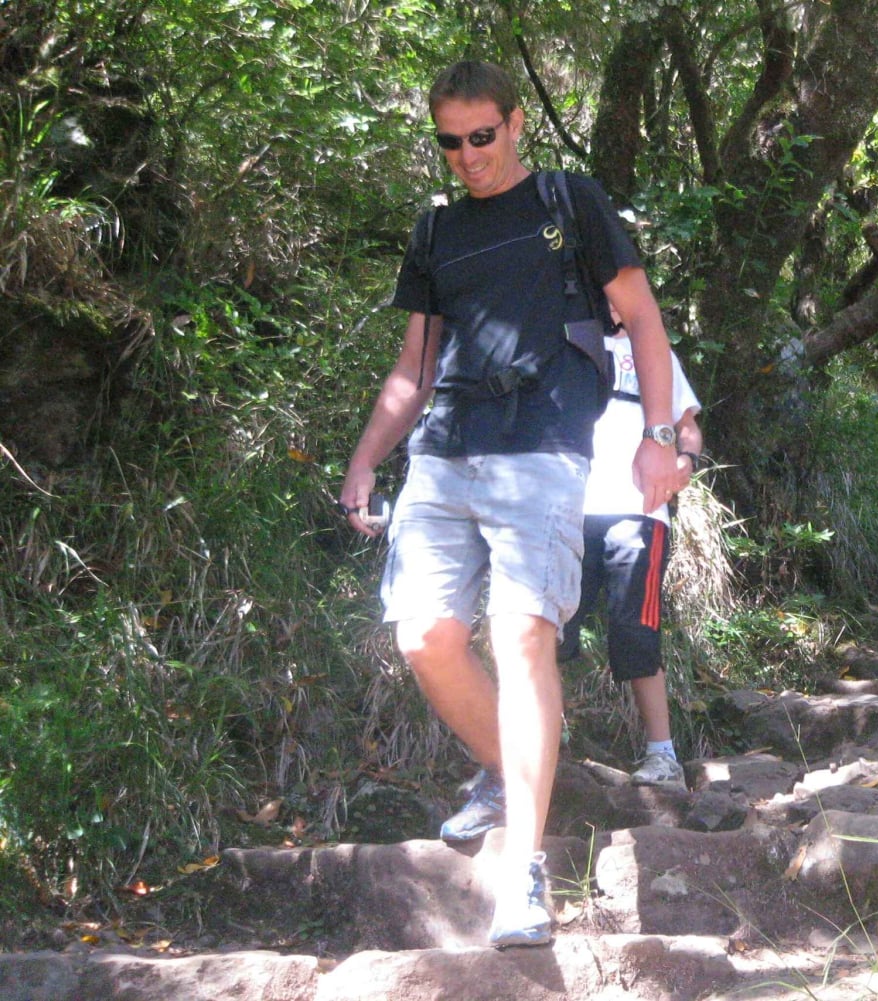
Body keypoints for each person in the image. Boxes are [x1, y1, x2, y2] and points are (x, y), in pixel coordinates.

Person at [337, 59, 678, 949]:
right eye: (450, 142)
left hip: (543, 443)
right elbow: (412, 368)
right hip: (445, 450)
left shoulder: (569, 201)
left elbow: (642, 318)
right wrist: (366, 458)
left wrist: (660, 436)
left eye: (482, 136)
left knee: (521, 633)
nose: (468, 156)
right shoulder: (436, 231)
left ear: (516, 124)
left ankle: (522, 869)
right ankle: (504, 764)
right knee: (424, 635)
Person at [558, 314, 702, 789]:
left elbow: (687, 425)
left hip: (639, 509)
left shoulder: (655, 350)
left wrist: (686, 460)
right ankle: (545, 746)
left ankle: (663, 756)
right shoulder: (563, 337)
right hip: (565, 506)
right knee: (548, 630)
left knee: (637, 630)